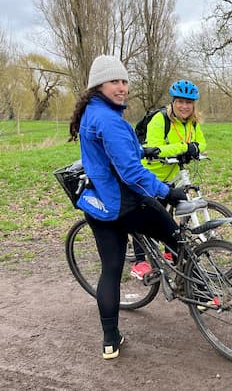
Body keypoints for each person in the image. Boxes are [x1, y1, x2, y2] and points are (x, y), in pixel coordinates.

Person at [69, 55, 188, 360]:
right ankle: (195, 290)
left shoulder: (92, 113)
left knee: (110, 270)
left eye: (124, 81)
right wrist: (167, 192)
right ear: (99, 85)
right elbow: (131, 173)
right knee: (177, 238)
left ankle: (110, 340)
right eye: (114, 82)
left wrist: (142, 149)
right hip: (126, 204)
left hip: (98, 206)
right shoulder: (110, 121)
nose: (122, 87)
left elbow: (113, 154)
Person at [130, 79, 207, 280]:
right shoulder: (160, 119)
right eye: (180, 101)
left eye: (189, 103)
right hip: (147, 177)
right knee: (143, 220)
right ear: (173, 102)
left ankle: (168, 251)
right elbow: (155, 149)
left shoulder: (192, 122)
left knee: (165, 216)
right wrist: (185, 147)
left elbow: (202, 142)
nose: (184, 106)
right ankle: (140, 263)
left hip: (168, 178)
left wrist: (195, 147)